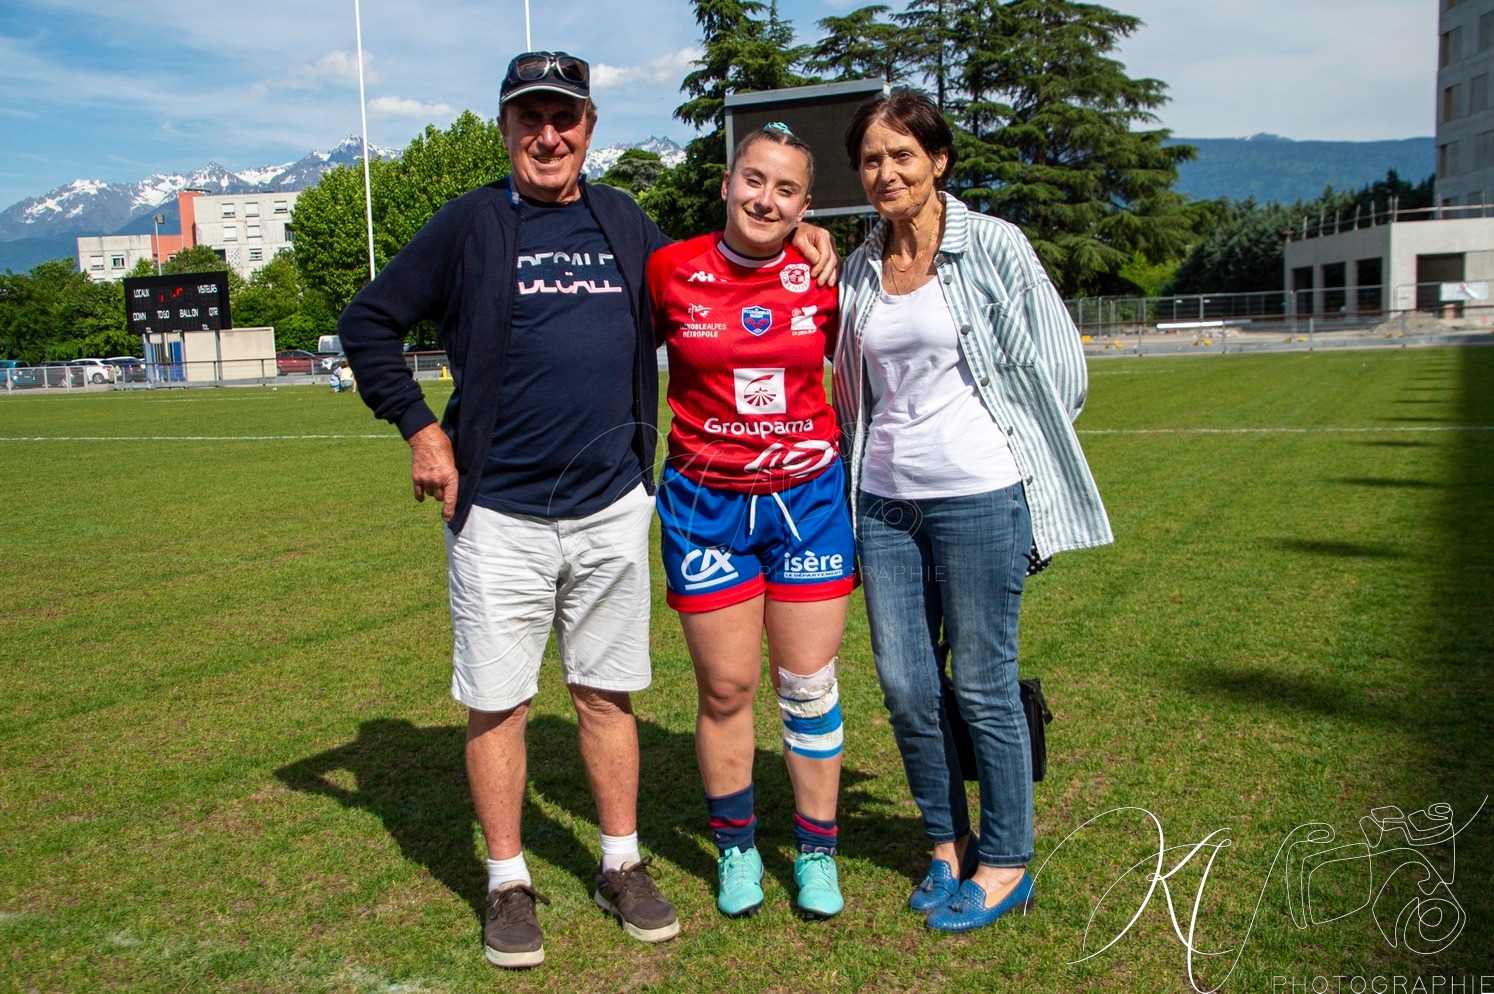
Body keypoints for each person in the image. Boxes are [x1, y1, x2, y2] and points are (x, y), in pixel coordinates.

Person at [338, 51, 837, 969]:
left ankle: (621, 864)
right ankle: (507, 882)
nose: (548, 135)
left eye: (564, 118)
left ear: (590, 128)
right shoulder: (470, 223)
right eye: (529, 117)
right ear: (505, 128)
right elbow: (367, 322)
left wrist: (794, 237)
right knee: (499, 703)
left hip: (610, 506)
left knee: (606, 696)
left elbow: (712, 275)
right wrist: (421, 429)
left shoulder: (622, 219)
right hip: (499, 513)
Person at [831, 89, 1113, 933]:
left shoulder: (994, 244)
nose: (886, 172)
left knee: (984, 685)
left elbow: (1064, 371)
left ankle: (1007, 860)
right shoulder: (858, 266)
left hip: (982, 497)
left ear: (938, 160)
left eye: (902, 155)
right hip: (885, 503)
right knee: (905, 686)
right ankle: (947, 844)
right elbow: (855, 388)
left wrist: (1011, 449)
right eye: (871, 160)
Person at [648, 123, 853, 921]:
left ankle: (816, 851)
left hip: (807, 504)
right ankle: (737, 849)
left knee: (807, 687)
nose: (767, 199)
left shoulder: (823, 274)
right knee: (727, 688)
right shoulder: (670, 268)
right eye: (754, 180)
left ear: (806, 205)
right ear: (727, 185)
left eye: (786, 189)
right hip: (706, 506)